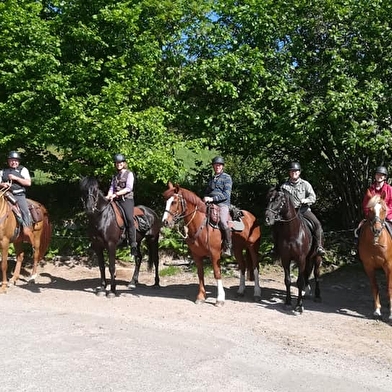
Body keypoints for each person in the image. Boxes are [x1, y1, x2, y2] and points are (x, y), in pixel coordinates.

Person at [281, 162, 326, 256]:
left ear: (299, 172)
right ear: (289, 173)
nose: (294, 172)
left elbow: (313, 197)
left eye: (296, 171)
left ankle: (319, 247)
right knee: (277, 225)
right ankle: (276, 248)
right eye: (292, 171)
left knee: (317, 224)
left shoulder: (306, 184)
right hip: (290, 213)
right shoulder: (284, 187)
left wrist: (306, 200)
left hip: (304, 210)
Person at [106, 153, 137, 257]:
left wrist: (116, 194)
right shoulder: (115, 176)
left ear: (124, 163)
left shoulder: (129, 174)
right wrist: (109, 195)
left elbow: (129, 188)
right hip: (115, 199)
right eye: (117, 163)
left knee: (129, 219)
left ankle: (133, 244)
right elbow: (111, 187)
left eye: (120, 162)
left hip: (126, 200)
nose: (118, 164)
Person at [0, 151, 34, 241]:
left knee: (24, 210)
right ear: (8, 161)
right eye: (11, 160)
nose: (14, 162)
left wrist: (16, 178)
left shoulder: (23, 170)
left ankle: (27, 229)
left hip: (18, 195)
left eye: (15, 160)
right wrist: (3, 184)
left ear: (18, 161)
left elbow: (28, 183)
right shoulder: (2, 171)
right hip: (6, 194)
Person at [203, 156, 233, 256]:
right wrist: (205, 197)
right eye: (216, 165)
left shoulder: (227, 178)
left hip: (223, 204)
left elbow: (226, 195)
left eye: (219, 165)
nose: (217, 167)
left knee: (223, 222)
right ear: (213, 167)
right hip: (210, 203)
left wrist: (212, 199)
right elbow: (207, 192)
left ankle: (228, 246)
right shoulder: (212, 179)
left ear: (222, 166)